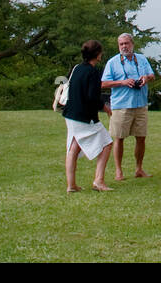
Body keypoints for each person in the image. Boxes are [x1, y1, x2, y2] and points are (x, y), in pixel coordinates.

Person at [100, 32, 155, 181]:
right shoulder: (112, 62)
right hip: (121, 105)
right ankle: (119, 171)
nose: (124, 46)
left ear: (132, 44)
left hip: (140, 104)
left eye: (126, 43)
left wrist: (146, 78)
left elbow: (152, 75)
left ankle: (139, 169)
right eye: (121, 44)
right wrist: (123, 82)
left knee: (141, 138)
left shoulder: (142, 59)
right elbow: (103, 83)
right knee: (119, 138)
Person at [65, 39, 114, 192]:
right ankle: (99, 180)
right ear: (98, 55)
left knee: (74, 147)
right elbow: (92, 97)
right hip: (84, 117)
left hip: (70, 114)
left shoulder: (77, 68)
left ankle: (71, 185)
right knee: (107, 143)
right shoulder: (93, 72)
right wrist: (105, 108)